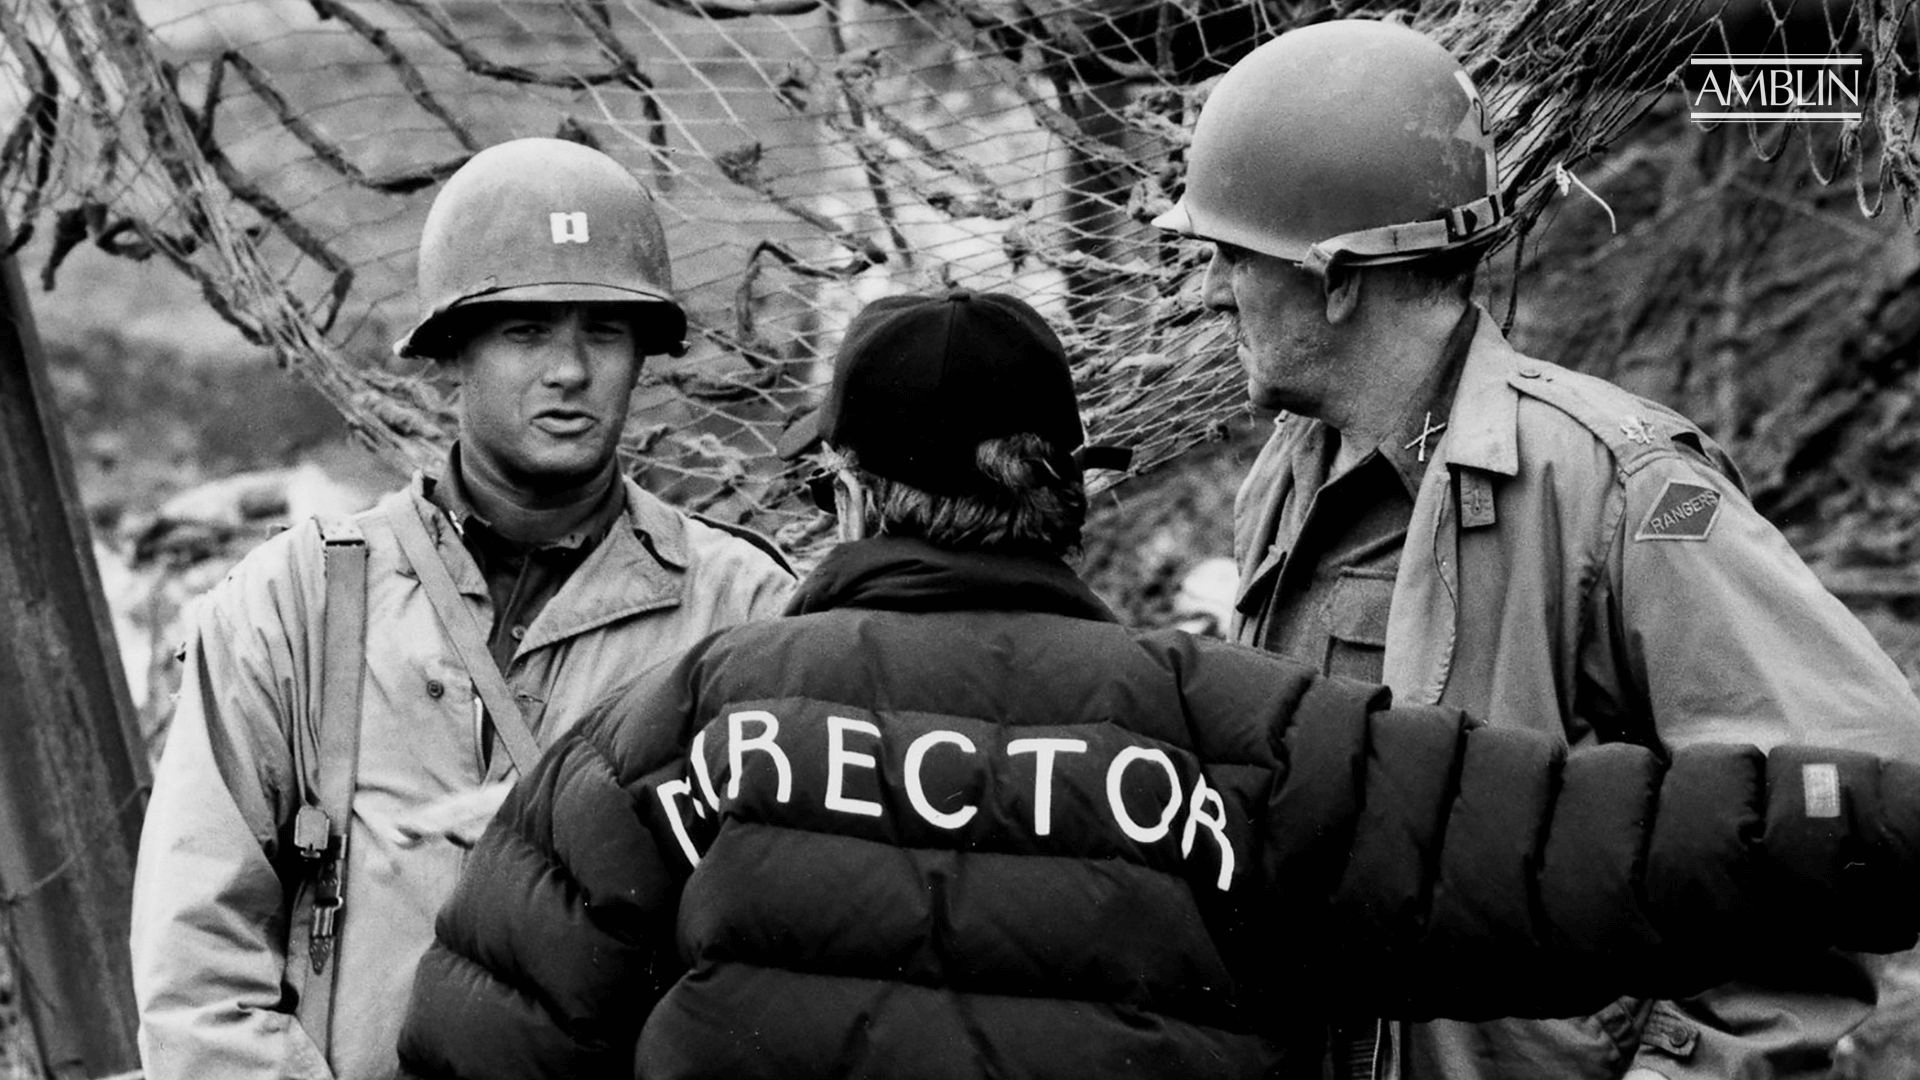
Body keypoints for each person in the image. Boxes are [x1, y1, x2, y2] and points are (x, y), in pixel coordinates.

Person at [393, 289, 1920, 1080]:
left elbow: (485, 1037)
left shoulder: (685, 724)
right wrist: (1886, 822)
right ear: (1069, 496)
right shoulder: (1238, 735)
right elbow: (1590, 841)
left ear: (848, 495)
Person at [1151, 19, 1920, 1080]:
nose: (1208, 292)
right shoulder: (1289, 474)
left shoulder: (1622, 486)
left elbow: (1865, 798)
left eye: (1232, 255)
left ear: (1338, 280)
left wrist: (1683, 1063)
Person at [129, 137, 796, 1080]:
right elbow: (197, 960)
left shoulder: (744, 611)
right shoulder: (295, 600)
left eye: (605, 331)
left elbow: (777, 951)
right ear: (452, 352)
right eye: (525, 330)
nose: (570, 370)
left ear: (644, 355)